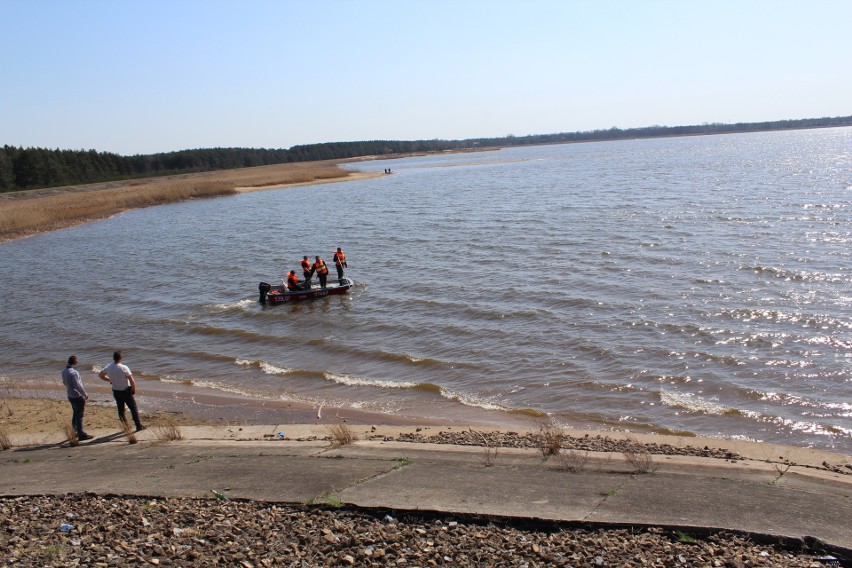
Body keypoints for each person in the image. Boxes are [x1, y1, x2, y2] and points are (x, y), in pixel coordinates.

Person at [99, 351, 144, 432]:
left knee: (121, 410)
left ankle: (126, 426)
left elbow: (101, 375)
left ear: (114, 358)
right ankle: (138, 426)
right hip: (125, 391)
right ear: (120, 358)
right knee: (133, 409)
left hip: (116, 391)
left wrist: (109, 380)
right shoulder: (124, 367)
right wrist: (133, 389)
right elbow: (132, 380)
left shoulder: (108, 367)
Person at [61, 355, 93, 440]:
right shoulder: (74, 372)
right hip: (77, 395)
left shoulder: (64, 371)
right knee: (80, 415)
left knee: (75, 413)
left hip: (70, 394)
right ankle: (81, 433)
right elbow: (78, 385)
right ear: (75, 362)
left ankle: (74, 431)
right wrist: (84, 393)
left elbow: (64, 382)